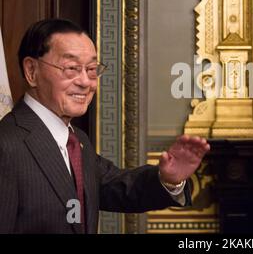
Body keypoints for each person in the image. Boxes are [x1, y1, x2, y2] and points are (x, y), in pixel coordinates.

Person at [0, 19, 210, 233]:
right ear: (31, 71)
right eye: (71, 68)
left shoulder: (76, 140)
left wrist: (167, 180)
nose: (86, 82)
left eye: (92, 69)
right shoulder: (7, 145)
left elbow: (117, 187)